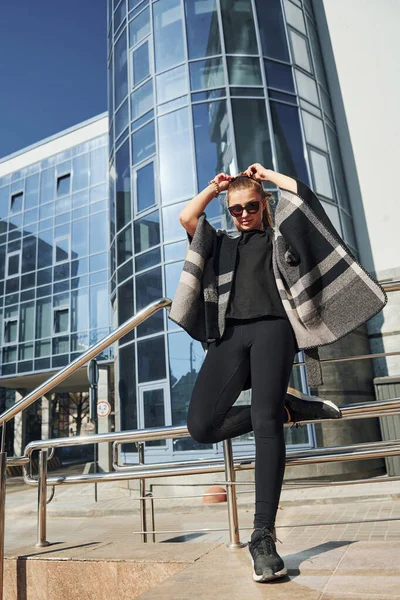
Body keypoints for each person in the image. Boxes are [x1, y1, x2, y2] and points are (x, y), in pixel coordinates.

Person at [175, 163, 341, 583]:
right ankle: (287, 406)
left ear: (262, 205)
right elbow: (187, 219)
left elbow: (304, 199)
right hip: (229, 336)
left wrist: (267, 175)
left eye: (251, 206)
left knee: (266, 423)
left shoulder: (281, 236)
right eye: (236, 209)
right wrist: (216, 189)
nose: (244, 214)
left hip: (274, 330)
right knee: (201, 425)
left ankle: (262, 537)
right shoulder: (223, 245)